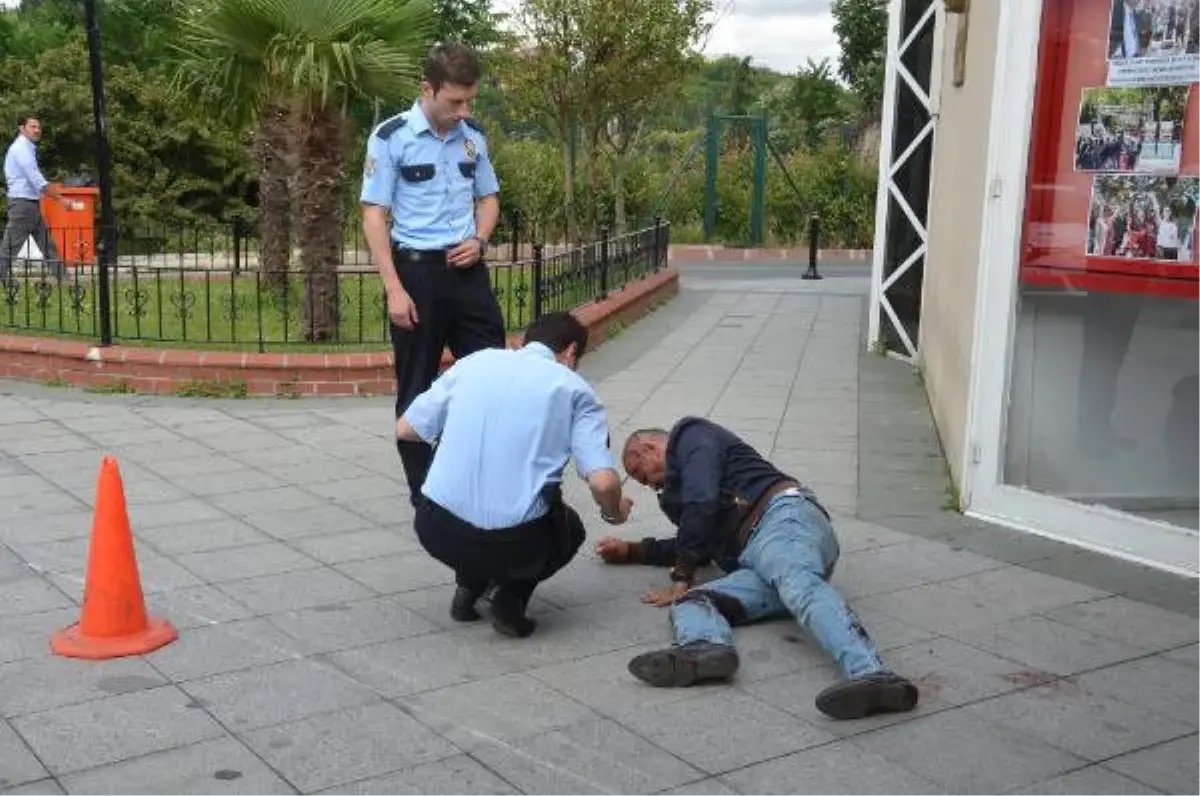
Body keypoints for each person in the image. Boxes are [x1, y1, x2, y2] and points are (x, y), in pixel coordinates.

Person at [596, 418, 920, 721]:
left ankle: (872, 675)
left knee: (795, 580)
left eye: (642, 475)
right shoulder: (678, 496)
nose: (648, 485)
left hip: (783, 519)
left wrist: (681, 575)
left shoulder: (692, 436)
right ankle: (706, 649)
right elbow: (695, 541)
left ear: (650, 448)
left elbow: (702, 503)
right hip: (755, 558)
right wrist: (632, 551)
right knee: (692, 601)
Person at [395, 312, 632, 638]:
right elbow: (603, 481)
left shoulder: (474, 363)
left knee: (476, 512)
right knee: (570, 528)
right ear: (571, 352)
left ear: (523, 341)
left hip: (435, 527)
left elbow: (406, 429)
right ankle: (510, 597)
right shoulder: (575, 390)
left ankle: (468, 590)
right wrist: (613, 512)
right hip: (516, 543)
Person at [361, 42, 507, 509]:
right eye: (455, 101)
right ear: (427, 88)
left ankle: (481, 480)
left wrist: (481, 239)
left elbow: (488, 198)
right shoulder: (392, 137)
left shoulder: (472, 136)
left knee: (491, 378)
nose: (464, 110)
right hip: (417, 275)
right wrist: (393, 289)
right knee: (418, 386)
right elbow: (373, 215)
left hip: (468, 274)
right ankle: (425, 498)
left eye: (470, 101)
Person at [2, 114, 68, 283]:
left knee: (47, 245)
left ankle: (65, 280)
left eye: (38, 127)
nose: (37, 130)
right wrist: (61, 199)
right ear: (22, 128)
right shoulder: (21, 149)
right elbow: (36, 179)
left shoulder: (27, 147)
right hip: (22, 205)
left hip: (29, 204)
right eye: (33, 127)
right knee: (9, 248)